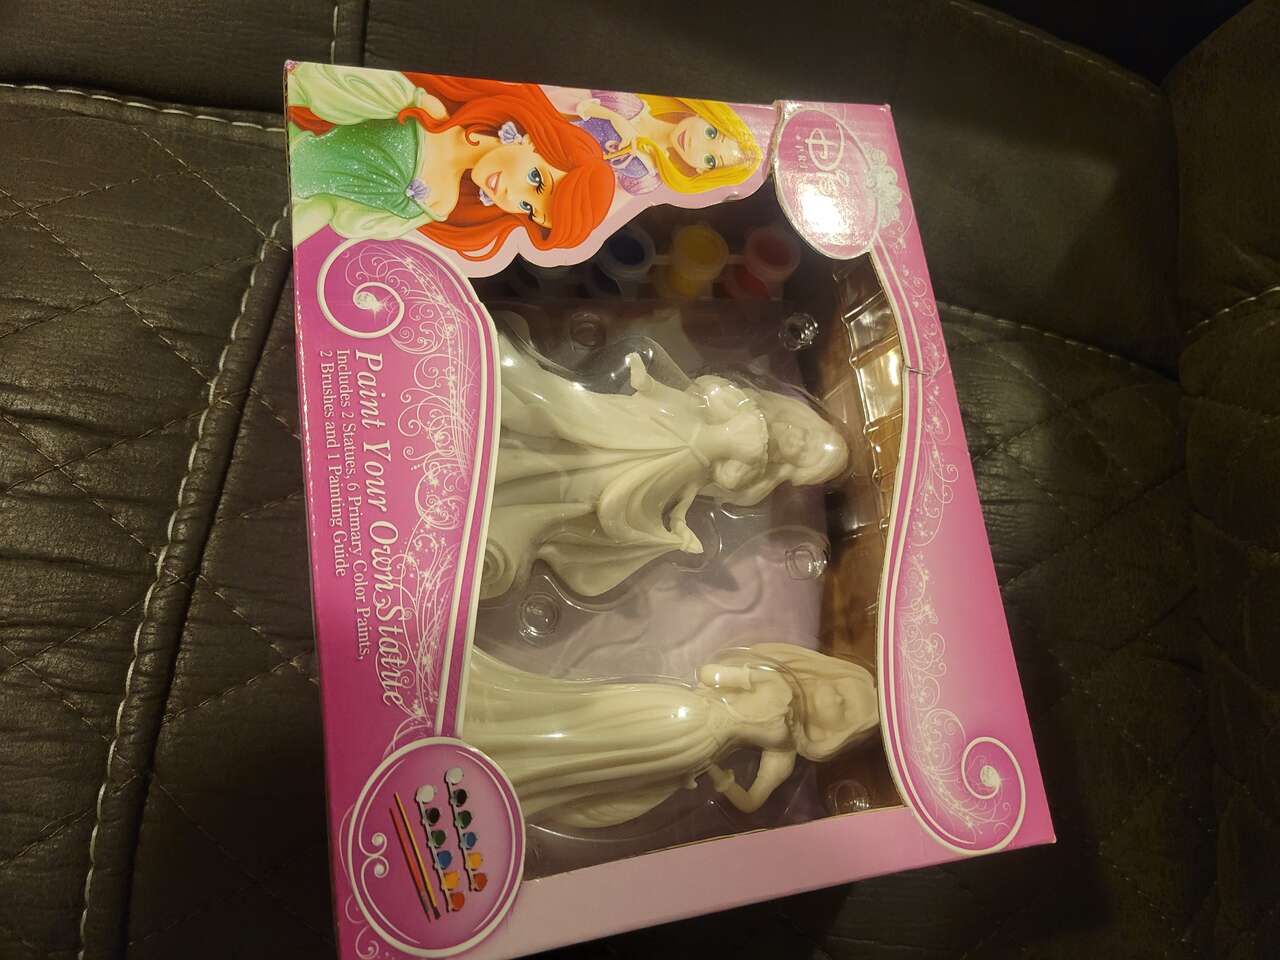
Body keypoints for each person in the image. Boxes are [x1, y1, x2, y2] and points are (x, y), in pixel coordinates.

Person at [481, 329, 848, 599]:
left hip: (670, 470)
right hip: (652, 425)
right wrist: (649, 386)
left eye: (806, 453)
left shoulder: (754, 478)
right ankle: (503, 415)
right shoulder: (744, 405)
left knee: (594, 490)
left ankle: (511, 490)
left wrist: (682, 516)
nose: (799, 442)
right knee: (575, 422)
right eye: (809, 436)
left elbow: (719, 482)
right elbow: (699, 394)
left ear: (798, 467)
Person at [463, 642, 878, 829]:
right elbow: (708, 674)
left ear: (836, 734)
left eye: (843, 710)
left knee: (605, 765)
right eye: (840, 691)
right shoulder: (773, 679)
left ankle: (521, 779)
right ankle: (504, 730)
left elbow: (752, 802)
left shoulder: (784, 751)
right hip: (677, 708)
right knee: (593, 717)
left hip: (691, 752)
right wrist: (739, 676)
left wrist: (720, 778)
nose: (833, 698)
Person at [286, 64, 615, 259]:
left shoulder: (439, 204)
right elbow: (309, 86)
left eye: (528, 209)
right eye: (536, 180)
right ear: (535, 141)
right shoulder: (425, 109)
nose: (512, 197)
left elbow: (330, 209)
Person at [572, 91, 763, 195]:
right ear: (704, 116)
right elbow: (570, 98)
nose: (694, 143)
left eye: (709, 160)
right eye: (711, 133)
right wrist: (613, 117)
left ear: (702, 170)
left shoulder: (646, 177)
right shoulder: (630, 105)